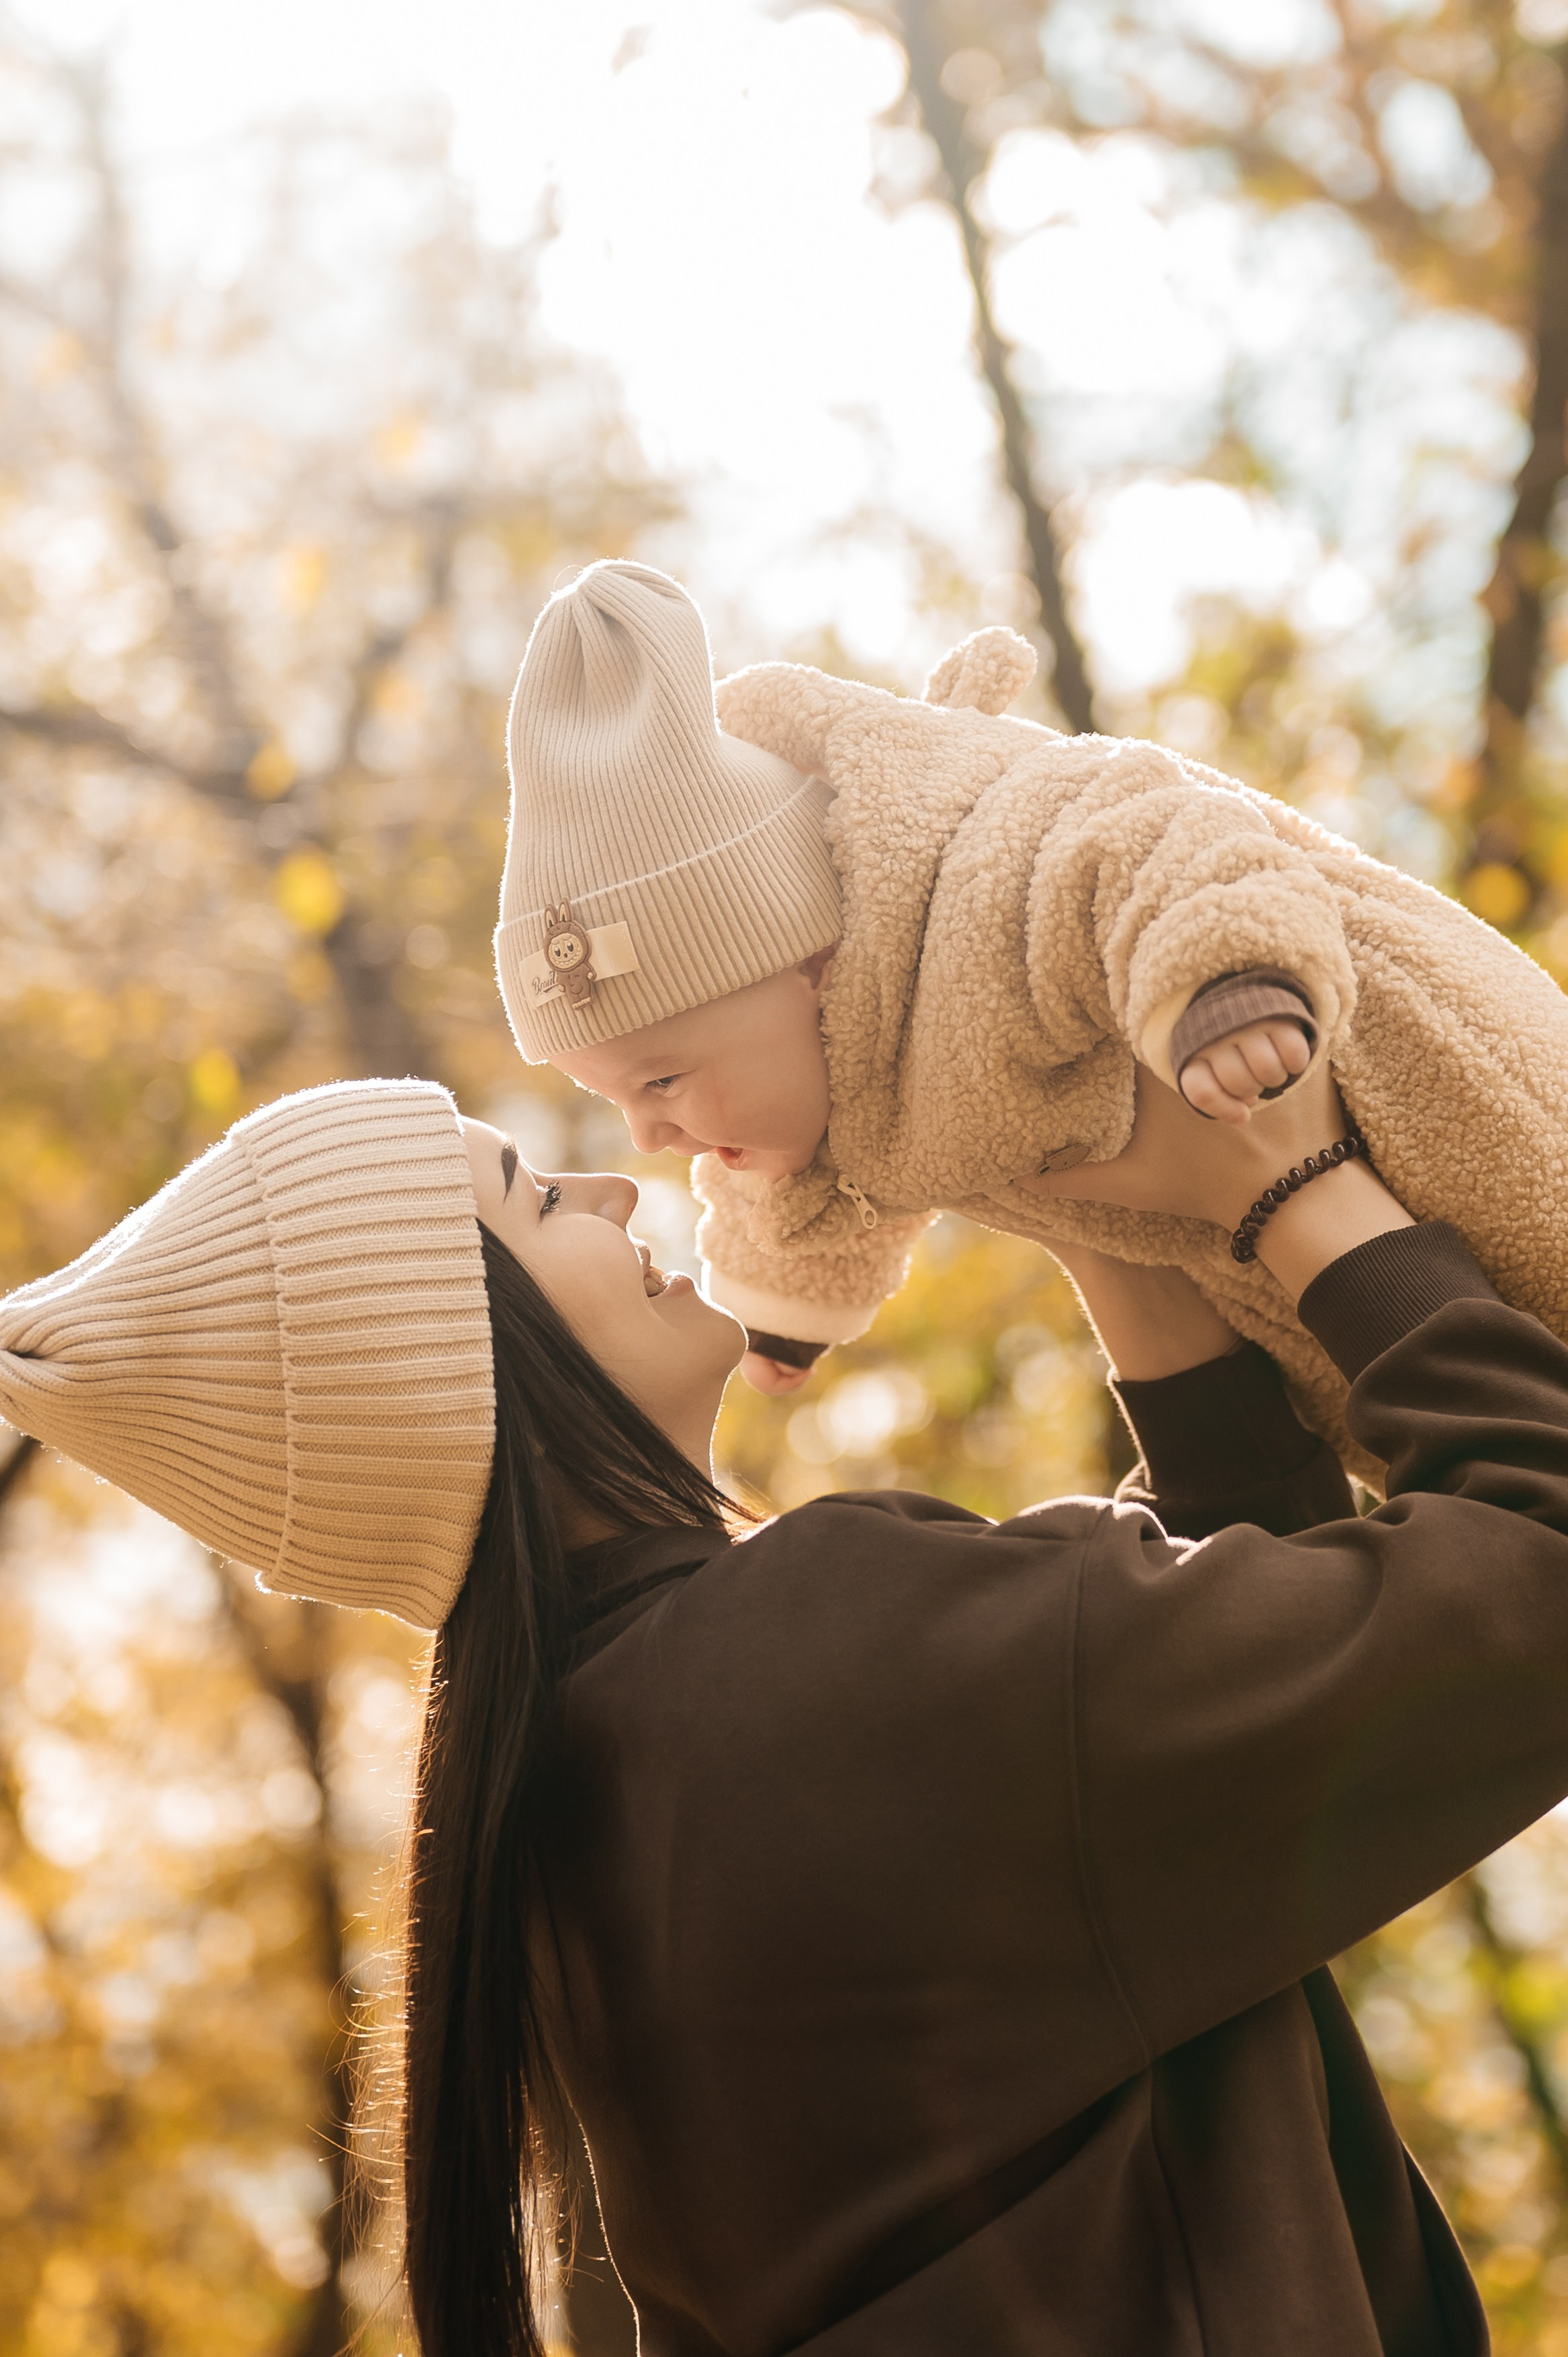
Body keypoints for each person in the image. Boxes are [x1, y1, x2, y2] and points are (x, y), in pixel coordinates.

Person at [3, 1059, 1567, 2356]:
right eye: (536, 1201)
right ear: (462, 1372)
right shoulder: (822, 1660)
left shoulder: (557, 1820)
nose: (612, 1188)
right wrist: (1293, 1189)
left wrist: (1083, 1215)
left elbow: (1226, 1726)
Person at [494, 559, 1568, 1495]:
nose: (649, 1138)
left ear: (806, 968)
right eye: (622, 1100)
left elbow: (1152, 829)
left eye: (662, 1082)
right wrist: (779, 1309)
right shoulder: (830, 1086)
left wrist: (1219, 990)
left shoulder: (978, 881)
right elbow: (806, 1185)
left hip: (1440, 1098)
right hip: (1411, 1342)